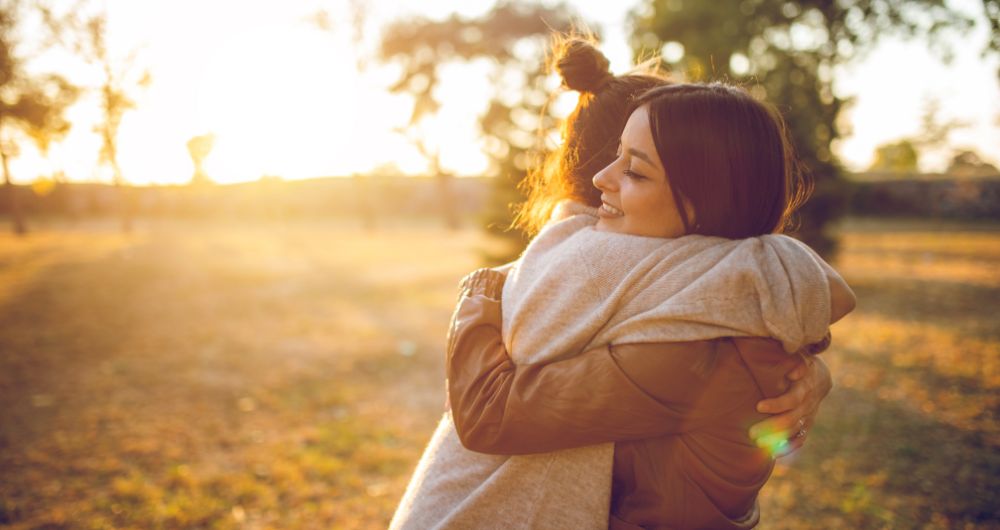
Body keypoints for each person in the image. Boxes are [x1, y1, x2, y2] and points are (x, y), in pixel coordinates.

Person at [391, 38, 848, 530]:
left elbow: (489, 412)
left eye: (634, 169)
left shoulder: (695, 347)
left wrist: (484, 290)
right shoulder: (735, 292)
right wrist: (812, 367)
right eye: (615, 158)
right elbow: (795, 292)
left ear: (706, 196)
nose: (603, 180)